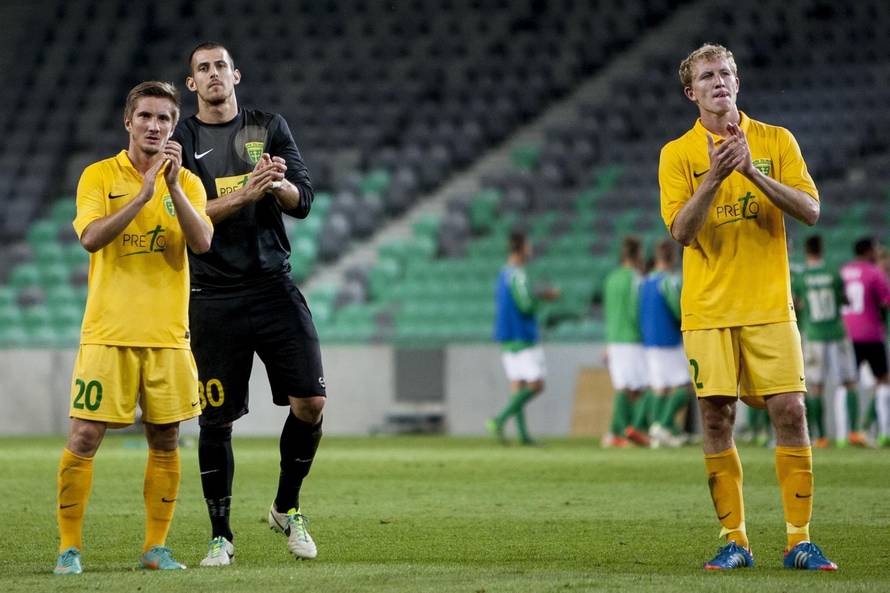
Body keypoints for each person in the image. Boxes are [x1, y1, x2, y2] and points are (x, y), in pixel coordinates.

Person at [658, 43, 837, 570]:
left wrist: (752, 173)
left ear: (738, 83)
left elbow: (811, 210)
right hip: (709, 309)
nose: (720, 82)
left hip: (769, 305)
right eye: (708, 76)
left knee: (792, 410)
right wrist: (715, 175)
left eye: (727, 74)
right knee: (717, 417)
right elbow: (683, 232)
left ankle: (799, 539)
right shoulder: (677, 155)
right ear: (691, 92)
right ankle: (735, 540)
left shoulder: (776, 141)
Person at [172, 42, 325, 565]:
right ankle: (221, 535)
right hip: (212, 296)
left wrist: (276, 184)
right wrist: (246, 192)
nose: (214, 74)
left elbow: (302, 200)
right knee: (215, 421)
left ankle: (287, 507)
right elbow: (185, 219)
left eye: (221, 66)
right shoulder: (183, 140)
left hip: (273, 287)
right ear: (192, 84)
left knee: (311, 403)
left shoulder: (268, 126)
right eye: (203, 69)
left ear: (236, 74)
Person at [54, 81, 213, 575]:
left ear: (174, 126)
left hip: (167, 335)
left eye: (165, 119)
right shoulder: (98, 176)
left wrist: (167, 188)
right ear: (128, 121)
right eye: (145, 116)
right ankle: (69, 548)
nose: (154, 126)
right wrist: (142, 193)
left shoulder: (186, 182)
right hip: (108, 332)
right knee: (84, 437)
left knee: (165, 440)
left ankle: (155, 548)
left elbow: (203, 241)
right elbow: (91, 237)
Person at [487, 230, 559, 445]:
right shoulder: (518, 275)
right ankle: (499, 419)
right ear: (521, 248)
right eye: (528, 245)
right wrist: (545, 297)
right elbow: (525, 305)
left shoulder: (503, 274)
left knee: (518, 386)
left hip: (506, 337)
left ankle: (523, 436)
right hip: (522, 336)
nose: (531, 249)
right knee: (536, 385)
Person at [791, 235, 860, 447]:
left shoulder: (802, 278)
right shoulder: (833, 272)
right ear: (822, 249)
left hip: (814, 336)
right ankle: (854, 433)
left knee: (816, 387)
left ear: (806, 251)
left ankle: (820, 437)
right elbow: (845, 299)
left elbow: (797, 304)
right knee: (849, 382)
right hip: (837, 333)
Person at [638, 239, 691, 447]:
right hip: (668, 340)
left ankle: (658, 434)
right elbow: (676, 309)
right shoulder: (668, 281)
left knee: (659, 388)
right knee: (684, 388)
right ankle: (662, 425)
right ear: (673, 258)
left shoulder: (645, 281)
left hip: (650, 341)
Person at [841, 237, 890, 447]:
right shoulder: (873, 272)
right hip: (871, 334)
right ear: (869, 251)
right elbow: (887, 300)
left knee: (847, 383)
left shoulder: (843, 271)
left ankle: (844, 435)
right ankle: (883, 433)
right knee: (884, 380)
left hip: (847, 334)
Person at [602, 236, 651, 447]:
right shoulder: (636, 279)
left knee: (624, 386)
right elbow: (635, 310)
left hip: (614, 339)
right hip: (633, 339)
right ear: (637, 254)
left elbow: (609, 313)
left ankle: (616, 433)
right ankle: (634, 429)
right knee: (644, 386)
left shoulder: (611, 278)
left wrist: (607, 343)